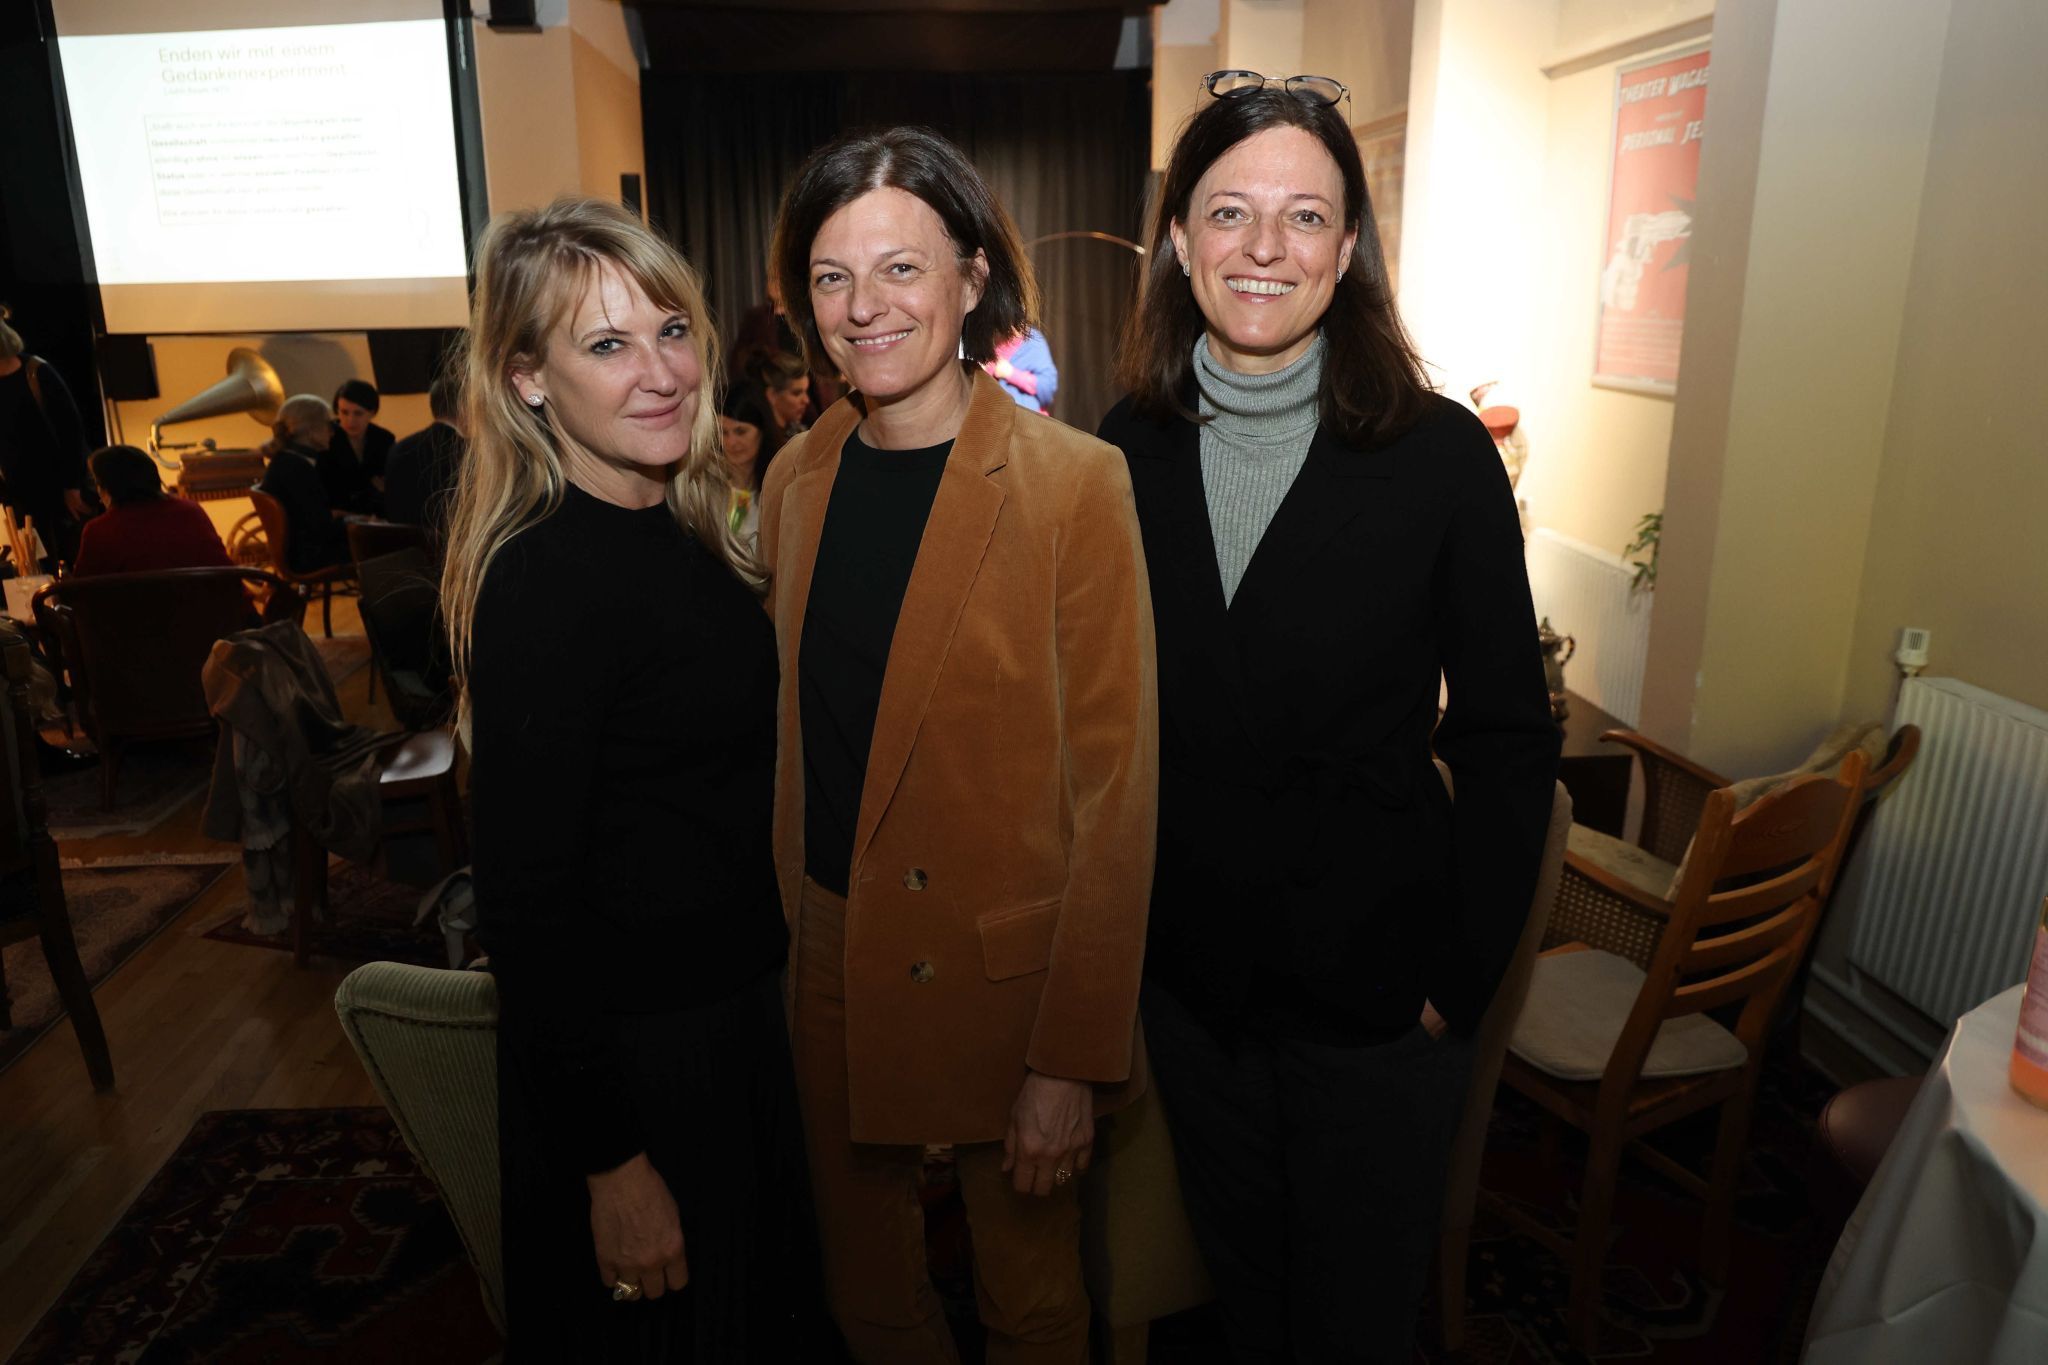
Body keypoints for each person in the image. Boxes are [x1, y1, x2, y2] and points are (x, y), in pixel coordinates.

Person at [1098, 76, 1562, 1363]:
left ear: (1348, 248)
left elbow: (1508, 744)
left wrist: (1449, 991)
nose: (1263, 248)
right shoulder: (1119, 452)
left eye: (1303, 217)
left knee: (1354, 1328)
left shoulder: (1439, 459)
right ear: (1178, 240)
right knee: (1238, 1311)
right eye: (1228, 213)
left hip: (1375, 1002)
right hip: (1193, 1003)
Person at [761, 125, 1157, 1364]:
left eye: (899, 269)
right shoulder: (793, 479)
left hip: (1009, 978)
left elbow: (1116, 795)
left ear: (971, 276)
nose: (862, 307)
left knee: (1030, 1304)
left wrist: (1071, 1061)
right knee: (867, 1289)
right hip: (828, 944)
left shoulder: (1072, 485)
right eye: (831, 276)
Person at [442, 196, 819, 1362]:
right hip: (642, 1070)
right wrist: (613, 1165)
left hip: (734, 1024)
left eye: (669, 330)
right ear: (527, 383)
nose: (657, 372)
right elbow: (528, 908)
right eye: (606, 345)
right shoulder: (544, 585)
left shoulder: (685, 530)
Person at [0, 305, 92, 571]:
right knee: (36, 568)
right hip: (17, 497)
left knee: (74, 562)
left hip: (60, 490)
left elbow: (71, 430)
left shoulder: (37, 373)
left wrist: (72, 486)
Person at [72, 445, 232, 576]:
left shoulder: (99, 531)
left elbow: (81, 593)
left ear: (109, 488)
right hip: (224, 611)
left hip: (146, 615)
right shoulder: (192, 511)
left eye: (98, 485)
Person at [256, 395, 349, 573]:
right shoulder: (298, 468)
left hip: (298, 552)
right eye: (329, 425)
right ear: (310, 431)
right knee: (384, 543)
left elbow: (310, 516)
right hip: (309, 557)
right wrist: (362, 525)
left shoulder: (285, 461)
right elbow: (321, 530)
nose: (332, 431)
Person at [382, 369, 467, 540]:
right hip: (447, 546)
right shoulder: (467, 449)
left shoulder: (400, 447)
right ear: (466, 407)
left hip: (404, 546)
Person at [717, 382, 781, 549]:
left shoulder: (781, 484)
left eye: (741, 431)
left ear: (762, 431)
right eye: (723, 432)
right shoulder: (706, 483)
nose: (731, 442)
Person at [321, 378, 392, 514]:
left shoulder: (384, 439)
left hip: (375, 515)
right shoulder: (325, 438)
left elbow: (387, 486)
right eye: (344, 412)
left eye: (358, 413)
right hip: (336, 516)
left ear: (372, 413)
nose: (350, 420)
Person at [982, 326, 1058, 414]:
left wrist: (1011, 374)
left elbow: (1047, 387)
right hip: (990, 418)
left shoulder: (1033, 340)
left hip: (1027, 421)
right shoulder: (984, 340)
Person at [753, 349, 816, 439]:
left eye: (806, 392)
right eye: (797, 393)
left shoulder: (799, 433)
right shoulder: (760, 441)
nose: (806, 400)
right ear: (772, 395)